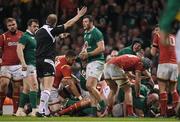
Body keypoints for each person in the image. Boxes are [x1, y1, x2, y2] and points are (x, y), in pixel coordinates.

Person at [35, 7, 87, 117]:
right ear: (55, 23)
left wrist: (59, 36)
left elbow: (46, 41)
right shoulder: (52, 30)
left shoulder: (38, 31)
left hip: (37, 61)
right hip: (47, 61)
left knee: (43, 88)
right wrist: (78, 16)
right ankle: (40, 111)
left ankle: (45, 111)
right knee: (48, 88)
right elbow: (68, 24)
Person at [79, 15, 106, 116]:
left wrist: (88, 54)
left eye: (86, 22)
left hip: (97, 61)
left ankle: (103, 105)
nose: (84, 23)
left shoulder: (96, 32)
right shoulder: (86, 33)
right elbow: (86, 46)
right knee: (91, 89)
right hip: (90, 62)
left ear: (91, 22)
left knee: (89, 85)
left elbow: (102, 48)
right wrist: (82, 52)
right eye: (83, 22)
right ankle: (94, 112)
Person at [151, 26, 179, 117]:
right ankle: (177, 112)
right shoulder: (174, 37)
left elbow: (153, 53)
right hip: (175, 64)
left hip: (164, 64)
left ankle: (163, 114)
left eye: (156, 29)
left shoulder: (158, 35)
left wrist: (155, 46)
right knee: (173, 90)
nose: (155, 31)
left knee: (162, 90)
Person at [15, 19, 39, 116]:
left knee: (26, 89)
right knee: (34, 86)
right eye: (34, 26)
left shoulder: (34, 37)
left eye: (37, 26)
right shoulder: (25, 36)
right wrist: (23, 63)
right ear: (29, 26)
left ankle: (19, 111)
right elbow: (19, 49)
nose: (36, 28)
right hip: (28, 65)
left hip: (33, 64)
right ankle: (34, 110)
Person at [0, 18, 23, 115]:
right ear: (7, 27)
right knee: (3, 84)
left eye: (13, 24)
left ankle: (15, 111)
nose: (12, 27)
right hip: (6, 65)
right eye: (9, 25)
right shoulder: (3, 36)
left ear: (16, 24)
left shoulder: (23, 35)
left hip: (18, 65)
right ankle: (0, 108)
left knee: (17, 88)